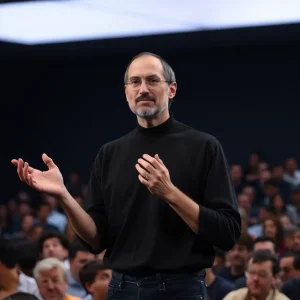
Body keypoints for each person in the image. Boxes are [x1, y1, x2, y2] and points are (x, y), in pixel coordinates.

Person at [11, 52, 241, 299]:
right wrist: (63, 196)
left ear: (171, 90)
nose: (143, 88)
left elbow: (226, 232)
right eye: (135, 82)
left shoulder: (203, 146)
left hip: (180, 288)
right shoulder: (110, 153)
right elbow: (96, 239)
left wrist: (170, 193)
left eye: (153, 80)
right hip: (121, 288)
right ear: (126, 92)